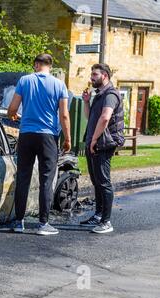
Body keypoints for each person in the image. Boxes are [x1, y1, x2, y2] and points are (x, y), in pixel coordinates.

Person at [7, 53, 71, 236]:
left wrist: (15, 116)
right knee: (46, 179)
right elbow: (64, 115)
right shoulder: (59, 85)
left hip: (26, 134)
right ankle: (43, 224)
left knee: (23, 177)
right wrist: (67, 139)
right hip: (48, 137)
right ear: (50, 66)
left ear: (36, 65)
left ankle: (19, 222)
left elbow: (12, 109)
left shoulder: (24, 81)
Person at [80, 63, 124, 234]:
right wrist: (86, 102)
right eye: (92, 74)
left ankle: (106, 222)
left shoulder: (110, 95)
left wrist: (95, 140)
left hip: (103, 143)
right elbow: (90, 116)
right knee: (96, 181)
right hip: (95, 142)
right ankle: (98, 215)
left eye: (95, 74)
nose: (91, 77)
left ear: (104, 75)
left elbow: (105, 118)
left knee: (104, 182)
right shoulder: (99, 95)